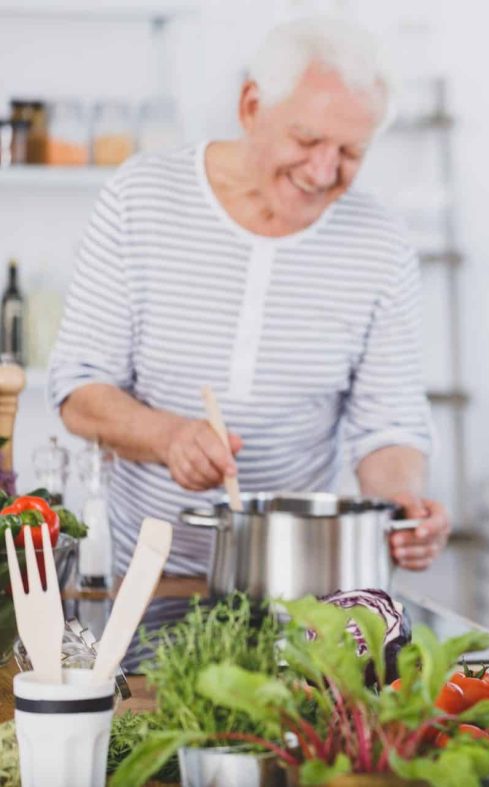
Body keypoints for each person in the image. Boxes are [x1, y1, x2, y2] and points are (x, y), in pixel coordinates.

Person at [49, 17, 449, 577]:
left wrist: (404, 508)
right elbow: (79, 391)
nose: (322, 170)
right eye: (306, 140)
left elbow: (389, 425)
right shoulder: (139, 197)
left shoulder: (380, 242)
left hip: (300, 581)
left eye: (350, 152)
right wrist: (170, 438)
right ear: (251, 106)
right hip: (140, 573)